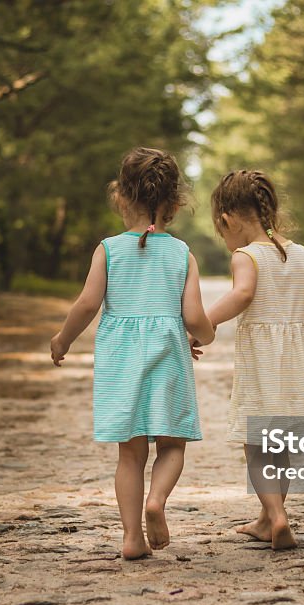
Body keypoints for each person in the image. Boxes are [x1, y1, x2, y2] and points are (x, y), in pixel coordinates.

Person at [50, 147, 215, 559]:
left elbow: (87, 304)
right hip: (168, 358)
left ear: (121, 198)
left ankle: (131, 538)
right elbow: (194, 316)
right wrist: (203, 336)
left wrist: (63, 339)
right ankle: (156, 501)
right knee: (172, 445)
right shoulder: (182, 254)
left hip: (121, 363)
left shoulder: (107, 249)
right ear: (174, 205)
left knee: (130, 454)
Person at [204, 169, 304, 550]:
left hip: (262, 362)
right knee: (279, 441)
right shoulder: (302, 254)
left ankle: (276, 516)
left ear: (228, 219)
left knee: (256, 441)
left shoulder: (246, 256)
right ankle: (269, 518)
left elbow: (243, 295)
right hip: (296, 359)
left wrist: (204, 323)